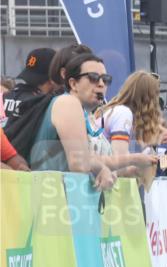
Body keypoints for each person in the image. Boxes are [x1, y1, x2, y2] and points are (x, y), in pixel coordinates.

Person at [29, 53, 155, 189]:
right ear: (73, 83)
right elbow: (79, 162)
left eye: (105, 79)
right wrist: (134, 159)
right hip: (52, 198)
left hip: (62, 198)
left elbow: (92, 160)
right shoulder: (68, 103)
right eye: (93, 77)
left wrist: (133, 170)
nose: (101, 84)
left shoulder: (86, 114)